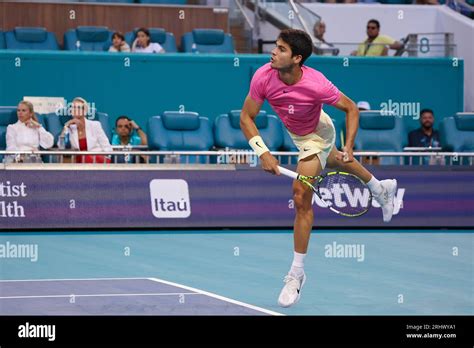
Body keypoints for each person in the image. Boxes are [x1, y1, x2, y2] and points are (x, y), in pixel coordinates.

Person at [240, 29, 398, 308]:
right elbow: (246, 117)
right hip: (297, 132)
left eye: (281, 49)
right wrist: (262, 152)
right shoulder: (263, 76)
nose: (273, 53)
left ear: (297, 58)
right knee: (334, 160)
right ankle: (379, 188)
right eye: (275, 47)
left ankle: (296, 274)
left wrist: (349, 145)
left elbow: (351, 108)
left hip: (318, 133)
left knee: (301, 195)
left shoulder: (316, 84)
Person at [58, 97, 112, 163]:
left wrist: (107, 160)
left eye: (78, 107)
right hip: (79, 161)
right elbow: (61, 146)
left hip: (96, 159)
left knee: (84, 156)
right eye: (72, 107)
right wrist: (65, 127)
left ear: (85, 111)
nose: (74, 109)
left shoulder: (95, 125)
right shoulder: (69, 128)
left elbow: (106, 146)